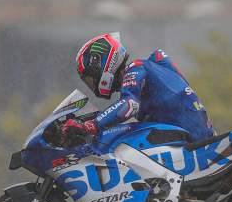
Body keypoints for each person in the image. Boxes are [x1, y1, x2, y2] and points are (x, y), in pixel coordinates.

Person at [62, 32, 215, 143]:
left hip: (190, 141)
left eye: (91, 77)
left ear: (103, 64)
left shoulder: (136, 67)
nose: (92, 83)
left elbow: (130, 105)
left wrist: (91, 126)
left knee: (125, 138)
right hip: (195, 138)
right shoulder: (153, 66)